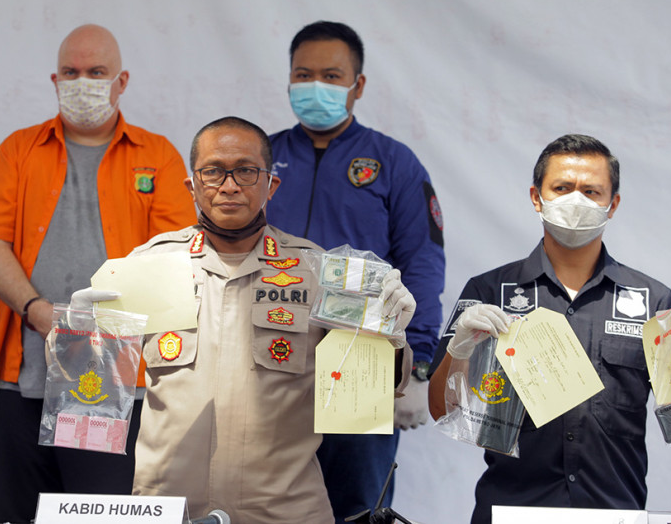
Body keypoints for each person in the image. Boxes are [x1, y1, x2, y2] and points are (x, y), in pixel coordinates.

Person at [72, 116, 416, 523]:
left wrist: (388, 333)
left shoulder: (319, 272)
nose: (230, 185)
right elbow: (84, 396)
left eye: (246, 171)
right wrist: (77, 335)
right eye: (214, 171)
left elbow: (365, 400)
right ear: (192, 185)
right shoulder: (149, 266)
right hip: (169, 509)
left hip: (284, 511)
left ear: (271, 184)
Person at [427, 134, 671, 524]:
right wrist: (458, 352)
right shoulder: (489, 292)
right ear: (536, 197)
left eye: (592, 191)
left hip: (615, 513)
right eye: (562, 188)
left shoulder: (652, 300)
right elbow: (442, 411)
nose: (577, 201)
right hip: (510, 510)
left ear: (613, 204)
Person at [0, 24, 197, 523]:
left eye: (96, 72)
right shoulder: (19, 149)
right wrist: (37, 312)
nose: (82, 82)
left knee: (100, 514)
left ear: (122, 80)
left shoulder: (156, 155)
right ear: (54, 78)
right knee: (15, 515)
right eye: (71, 72)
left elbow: (179, 257)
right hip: (26, 369)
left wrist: (98, 330)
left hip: (113, 372)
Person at [267, 20, 445, 522]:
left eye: (330, 75)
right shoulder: (263, 159)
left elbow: (423, 263)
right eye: (303, 75)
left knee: (356, 510)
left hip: (361, 360)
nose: (314, 86)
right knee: (264, 503)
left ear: (358, 85)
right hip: (271, 358)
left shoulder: (394, 165)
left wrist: (420, 364)